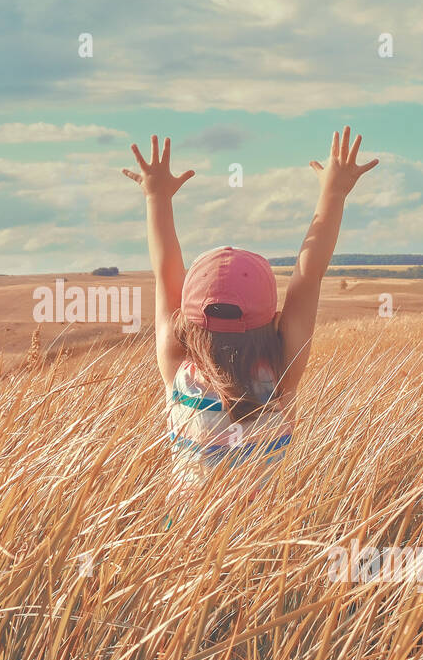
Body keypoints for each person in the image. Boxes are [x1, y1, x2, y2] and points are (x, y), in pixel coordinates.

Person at [122, 127, 379, 505]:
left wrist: (156, 196)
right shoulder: (280, 379)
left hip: (179, 544)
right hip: (263, 547)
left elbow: (165, 271)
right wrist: (335, 191)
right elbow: (309, 276)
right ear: (273, 320)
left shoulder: (179, 375)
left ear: (187, 325)